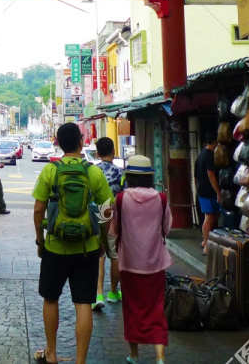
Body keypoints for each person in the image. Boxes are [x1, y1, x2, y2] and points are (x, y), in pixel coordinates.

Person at [32, 123, 112, 364]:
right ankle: (80, 361)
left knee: (51, 298)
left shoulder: (50, 171)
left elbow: (38, 210)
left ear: (57, 143)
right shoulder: (94, 172)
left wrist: (40, 239)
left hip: (55, 246)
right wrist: (100, 239)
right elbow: (107, 210)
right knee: (83, 303)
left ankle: (52, 353)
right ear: (81, 143)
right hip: (87, 249)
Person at [110, 155, 172, 364]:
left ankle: (134, 355)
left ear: (128, 176)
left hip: (129, 263)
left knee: (132, 308)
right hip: (155, 263)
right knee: (156, 307)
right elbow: (166, 228)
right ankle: (160, 357)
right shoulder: (161, 198)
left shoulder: (121, 199)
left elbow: (115, 229)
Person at [93, 136, 123, 310]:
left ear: (97, 153)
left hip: (95, 215)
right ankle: (113, 292)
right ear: (113, 151)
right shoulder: (120, 173)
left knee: (98, 256)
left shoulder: (93, 171)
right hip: (113, 217)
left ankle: (98, 294)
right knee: (114, 256)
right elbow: (123, 196)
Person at [194, 132, 220, 253]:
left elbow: (195, 176)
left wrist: (197, 189)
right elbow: (211, 174)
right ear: (215, 142)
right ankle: (206, 245)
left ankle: (206, 242)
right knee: (209, 217)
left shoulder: (201, 155)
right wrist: (218, 192)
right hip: (208, 191)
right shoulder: (209, 156)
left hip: (201, 190)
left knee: (211, 217)